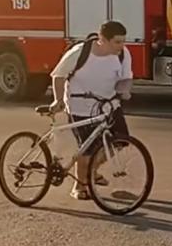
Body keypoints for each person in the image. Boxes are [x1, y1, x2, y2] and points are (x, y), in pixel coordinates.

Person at [48, 20, 133, 201]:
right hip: (80, 106)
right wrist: (58, 100)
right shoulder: (81, 52)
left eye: (123, 41)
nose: (121, 46)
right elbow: (58, 74)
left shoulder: (123, 54)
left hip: (109, 105)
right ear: (103, 39)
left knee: (121, 140)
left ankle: (91, 171)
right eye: (117, 42)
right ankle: (79, 186)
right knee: (86, 149)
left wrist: (124, 90)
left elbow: (125, 78)